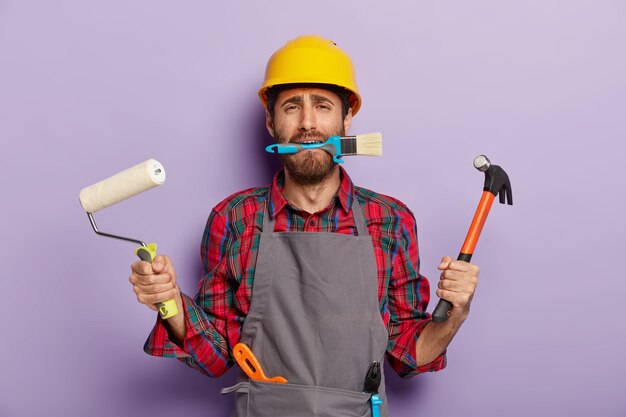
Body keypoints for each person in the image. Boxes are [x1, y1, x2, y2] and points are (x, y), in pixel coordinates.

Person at [129, 35, 479, 416]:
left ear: (346, 120)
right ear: (271, 121)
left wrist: (456, 312)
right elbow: (215, 356)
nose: (308, 123)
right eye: (292, 106)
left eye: (323, 105)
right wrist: (169, 302)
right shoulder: (233, 219)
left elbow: (407, 357)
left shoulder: (391, 221)